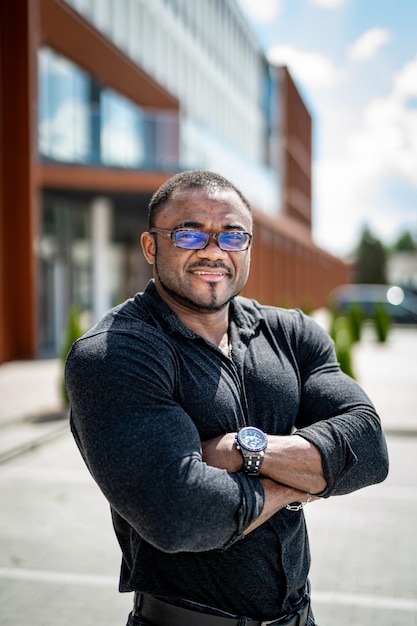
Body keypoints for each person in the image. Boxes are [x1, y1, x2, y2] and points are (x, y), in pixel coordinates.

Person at [66, 169, 389, 626]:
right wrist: (308, 477)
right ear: (151, 246)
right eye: (190, 233)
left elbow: (370, 448)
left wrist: (240, 451)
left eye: (232, 236)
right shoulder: (116, 352)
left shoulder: (291, 334)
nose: (214, 250)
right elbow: (179, 514)